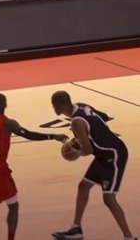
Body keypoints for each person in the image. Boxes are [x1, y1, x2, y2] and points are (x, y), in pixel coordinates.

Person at [0, 93, 69, 240]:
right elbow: (28, 134)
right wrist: (52, 136)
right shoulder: (8, 123)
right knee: (13, 205)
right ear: (5, 105)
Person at [50, 91, 135, 240]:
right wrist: (90, 135)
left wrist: (76, 153)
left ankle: (129, 237)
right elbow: (103, 116)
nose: (53, 108)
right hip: (103, 153)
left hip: (114, 154)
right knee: (83, 186)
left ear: (60, 105)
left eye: (54, 105)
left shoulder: (77, 122)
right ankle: (76, 229)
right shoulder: (82, 106)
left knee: (109, 198)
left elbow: (88, 150)